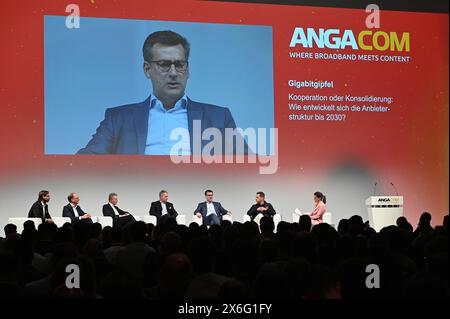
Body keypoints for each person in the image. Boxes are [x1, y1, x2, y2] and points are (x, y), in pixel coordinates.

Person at [77, 30, 247, 155]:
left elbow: (249, 165)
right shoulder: (118, 119)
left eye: (179, 64)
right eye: (164, 64)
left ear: (187, 70)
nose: (173, 72)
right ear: (147, 69)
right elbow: (85, 161)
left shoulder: (218, 117)